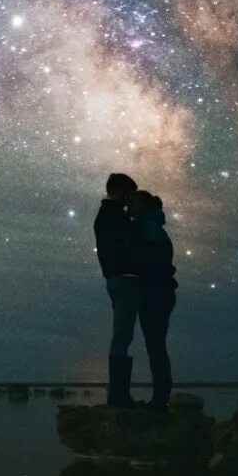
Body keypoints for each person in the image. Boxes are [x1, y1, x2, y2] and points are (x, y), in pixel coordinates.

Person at [93, 172, 141, 407]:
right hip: (124, 278)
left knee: (122, 334)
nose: (131, 198)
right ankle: (120, 396)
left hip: (116, 278)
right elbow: (131, 245)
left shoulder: (107, 215)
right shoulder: (114, 216)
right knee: (122, 334)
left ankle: (120, 394)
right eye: (129, 192)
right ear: (120, 191)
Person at [128, 190, 177, 413]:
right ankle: (161, 399)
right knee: (156, 345)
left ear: (143, 207)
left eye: (133, 205)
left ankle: (161, 401)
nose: (129, 209)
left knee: (155, 345)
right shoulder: (154, 228)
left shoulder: (146, 228)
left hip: (155, 292)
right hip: (161, 292)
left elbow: (151, 262)